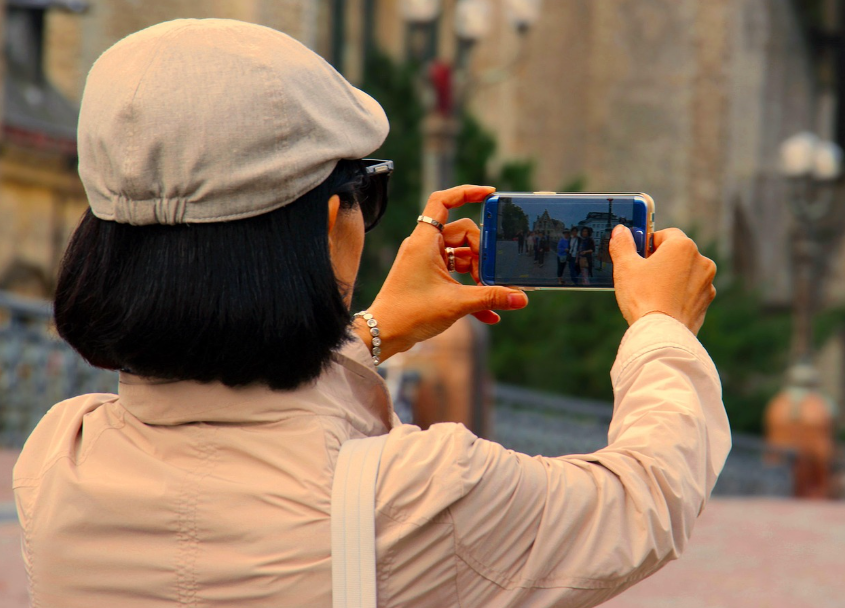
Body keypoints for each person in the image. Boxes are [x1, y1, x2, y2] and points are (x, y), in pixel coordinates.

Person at [13, 19, 728, 608]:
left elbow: (231, 423)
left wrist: (373, 333)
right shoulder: (415, 496)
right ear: (333, 221)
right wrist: (660, 327)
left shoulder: (58, 460)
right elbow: (643, 499)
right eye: (368, 193)